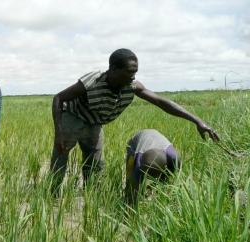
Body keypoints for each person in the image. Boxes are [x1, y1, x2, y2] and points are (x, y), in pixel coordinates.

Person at [50, 48, 219, 194]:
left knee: (95, 164)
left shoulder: (132, 86)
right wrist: (59, 133)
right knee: (61, 155)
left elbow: (162, 102)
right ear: (113, 69)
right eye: (129, 72)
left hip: (95, 122)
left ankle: (91, 199)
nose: (133, 77)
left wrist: (197, 121)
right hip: (73, 118)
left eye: (135, 72)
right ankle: (53, 194)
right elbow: (58, 98)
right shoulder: (93, 81)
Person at [125, 129, 180, 207]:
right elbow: (134, 186)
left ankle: (155, 193)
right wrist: (131, 203)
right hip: (136, 142)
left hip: (156, 137)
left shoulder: (174, 158)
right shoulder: (138, 162)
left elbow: (175, 179)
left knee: (165, 180)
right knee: (130, 178)